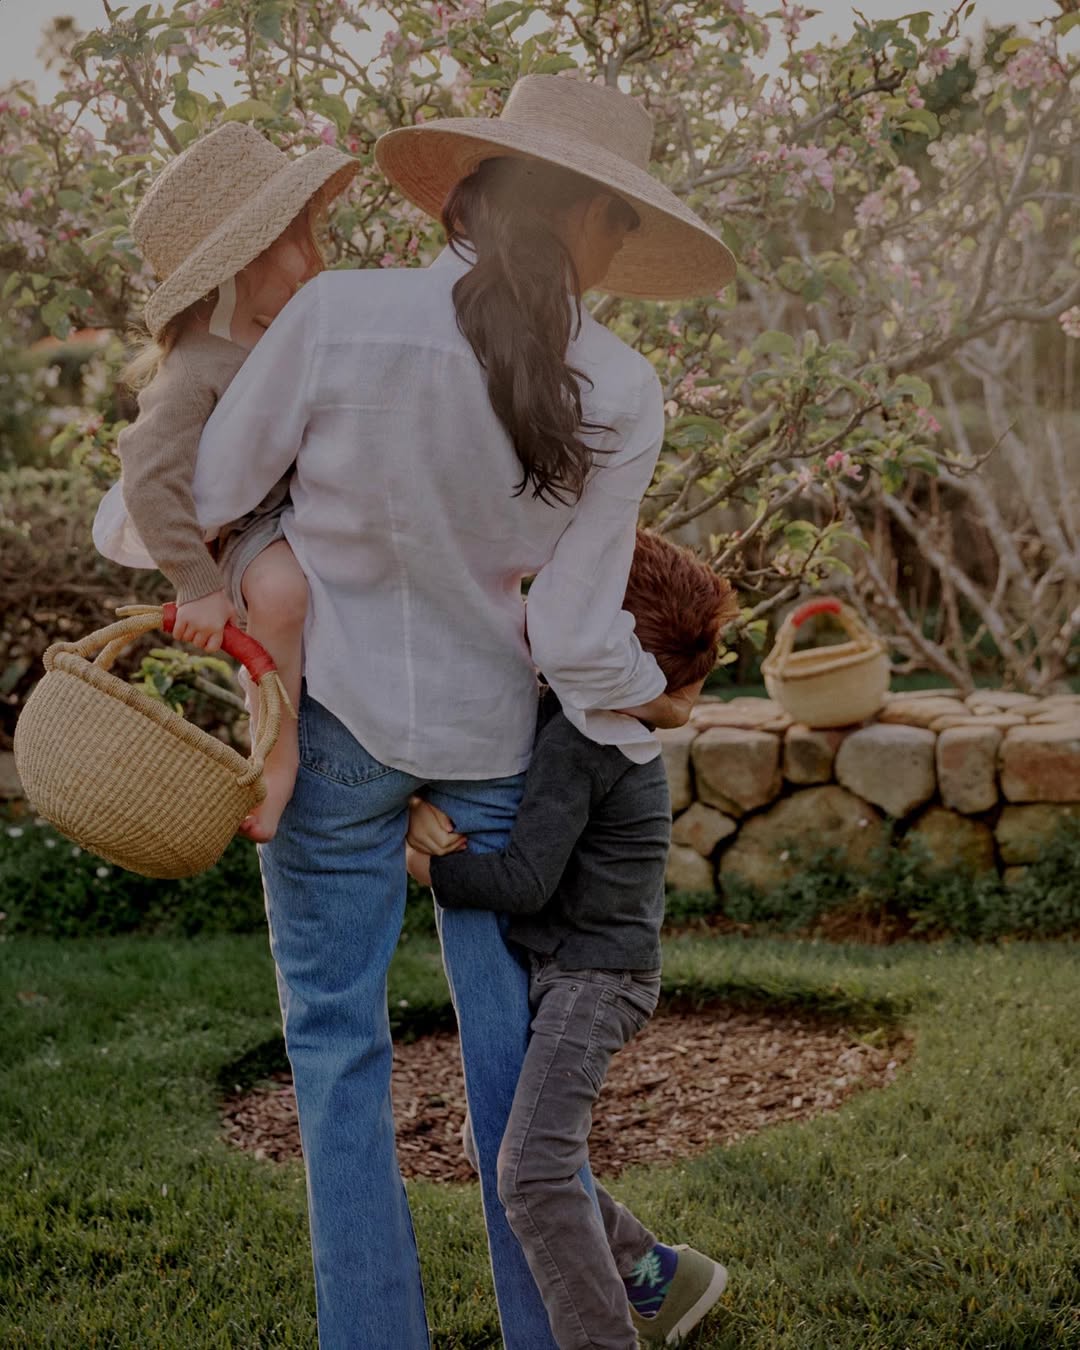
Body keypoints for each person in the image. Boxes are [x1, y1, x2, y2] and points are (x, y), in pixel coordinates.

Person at [108, 74, 735, 1348]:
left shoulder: (340, 315)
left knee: (337, 1056)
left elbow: (215, 488)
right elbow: (567, 634)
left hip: (332, 738)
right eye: (620, 222)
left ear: (476, 189)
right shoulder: (619, 388)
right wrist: (647, 694)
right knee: (514, 1073)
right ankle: (554, 1327)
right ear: (592, 220)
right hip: (498, 760)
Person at [406, 529, 740, 1349]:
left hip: (594, 981)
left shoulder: (581, 742)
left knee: (529, 1170)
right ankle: (662, 1275)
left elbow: (524, 882)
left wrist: (428, 871)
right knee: (500, 1147)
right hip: (589, 970)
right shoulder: (599, 721)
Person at [92, 122, 358, 841]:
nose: (314, 260)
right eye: (298, 241)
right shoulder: (196, 367)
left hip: (311, 509)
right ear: (240, 261)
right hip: (250, 529)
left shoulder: (287, 335)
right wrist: (196, 583)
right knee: (278, 595)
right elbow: (149, 475)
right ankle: (274, 763)